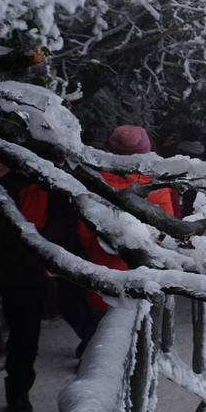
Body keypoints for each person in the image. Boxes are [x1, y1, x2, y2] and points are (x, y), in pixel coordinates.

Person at [0, 158, 59, 412]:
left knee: (25, 339)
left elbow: (58, 220)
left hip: (26, 272)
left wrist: (44, 252)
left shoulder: (35, 180)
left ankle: (18, 395)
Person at [77, 126, 177, 315]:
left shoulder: (95, 182)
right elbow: (167, 231)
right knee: (143, 326)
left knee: (104, 329)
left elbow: (84, 232)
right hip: (147, 279)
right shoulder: (157, 186)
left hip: (105, 277)